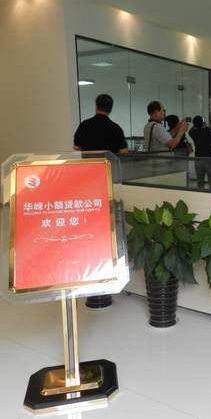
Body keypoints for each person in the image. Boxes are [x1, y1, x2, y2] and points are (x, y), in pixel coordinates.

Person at [72, 93, 127, 310]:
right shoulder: (115, 128)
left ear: (96, 106)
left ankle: (89, 252)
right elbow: (124, 152)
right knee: (107, 221)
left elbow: (76, 147)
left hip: (86, 181)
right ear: (110, 108)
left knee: (90, 220)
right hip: (107, 181)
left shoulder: (84, 125)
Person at [189, 115, 211, 189]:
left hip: (198, 158)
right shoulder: (207, 130)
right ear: (202, 122)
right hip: (209, 158)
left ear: (194, 124)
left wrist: (194, 125)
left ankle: (200, 193)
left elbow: (190, 131)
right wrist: (206, 126)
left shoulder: (193, 132)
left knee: (200, 180)